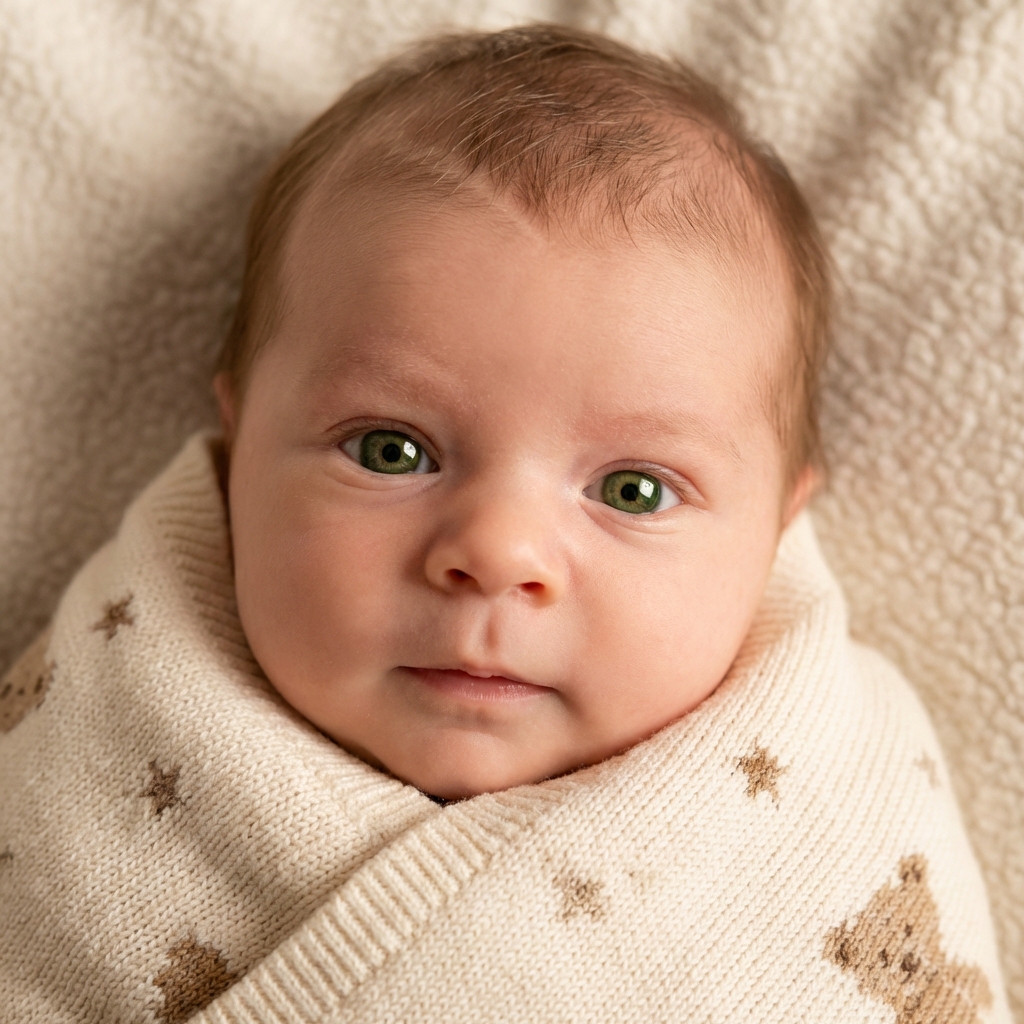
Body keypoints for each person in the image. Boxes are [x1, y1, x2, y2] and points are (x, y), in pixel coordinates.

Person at [0, 24, 1009, 1024]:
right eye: (390, 450)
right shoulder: (101, 725)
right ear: (240, 438)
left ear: (776, 528)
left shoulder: (837, 794)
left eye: (633, 490)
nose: (497, 554)